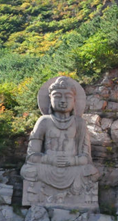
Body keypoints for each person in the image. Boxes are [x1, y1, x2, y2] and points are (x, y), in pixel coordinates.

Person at [21, 76, 99, 208]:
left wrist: (72, 161)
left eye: (68, 97)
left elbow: (86, 157)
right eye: (57, 96)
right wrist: (50, 159)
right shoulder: (44, 121)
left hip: (72, 166)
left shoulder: (79, 123)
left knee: (92, 172)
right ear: (50, 99)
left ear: (74, 100)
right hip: (48, 166)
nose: (62, 100)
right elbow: (31, 156)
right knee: (28, 170)